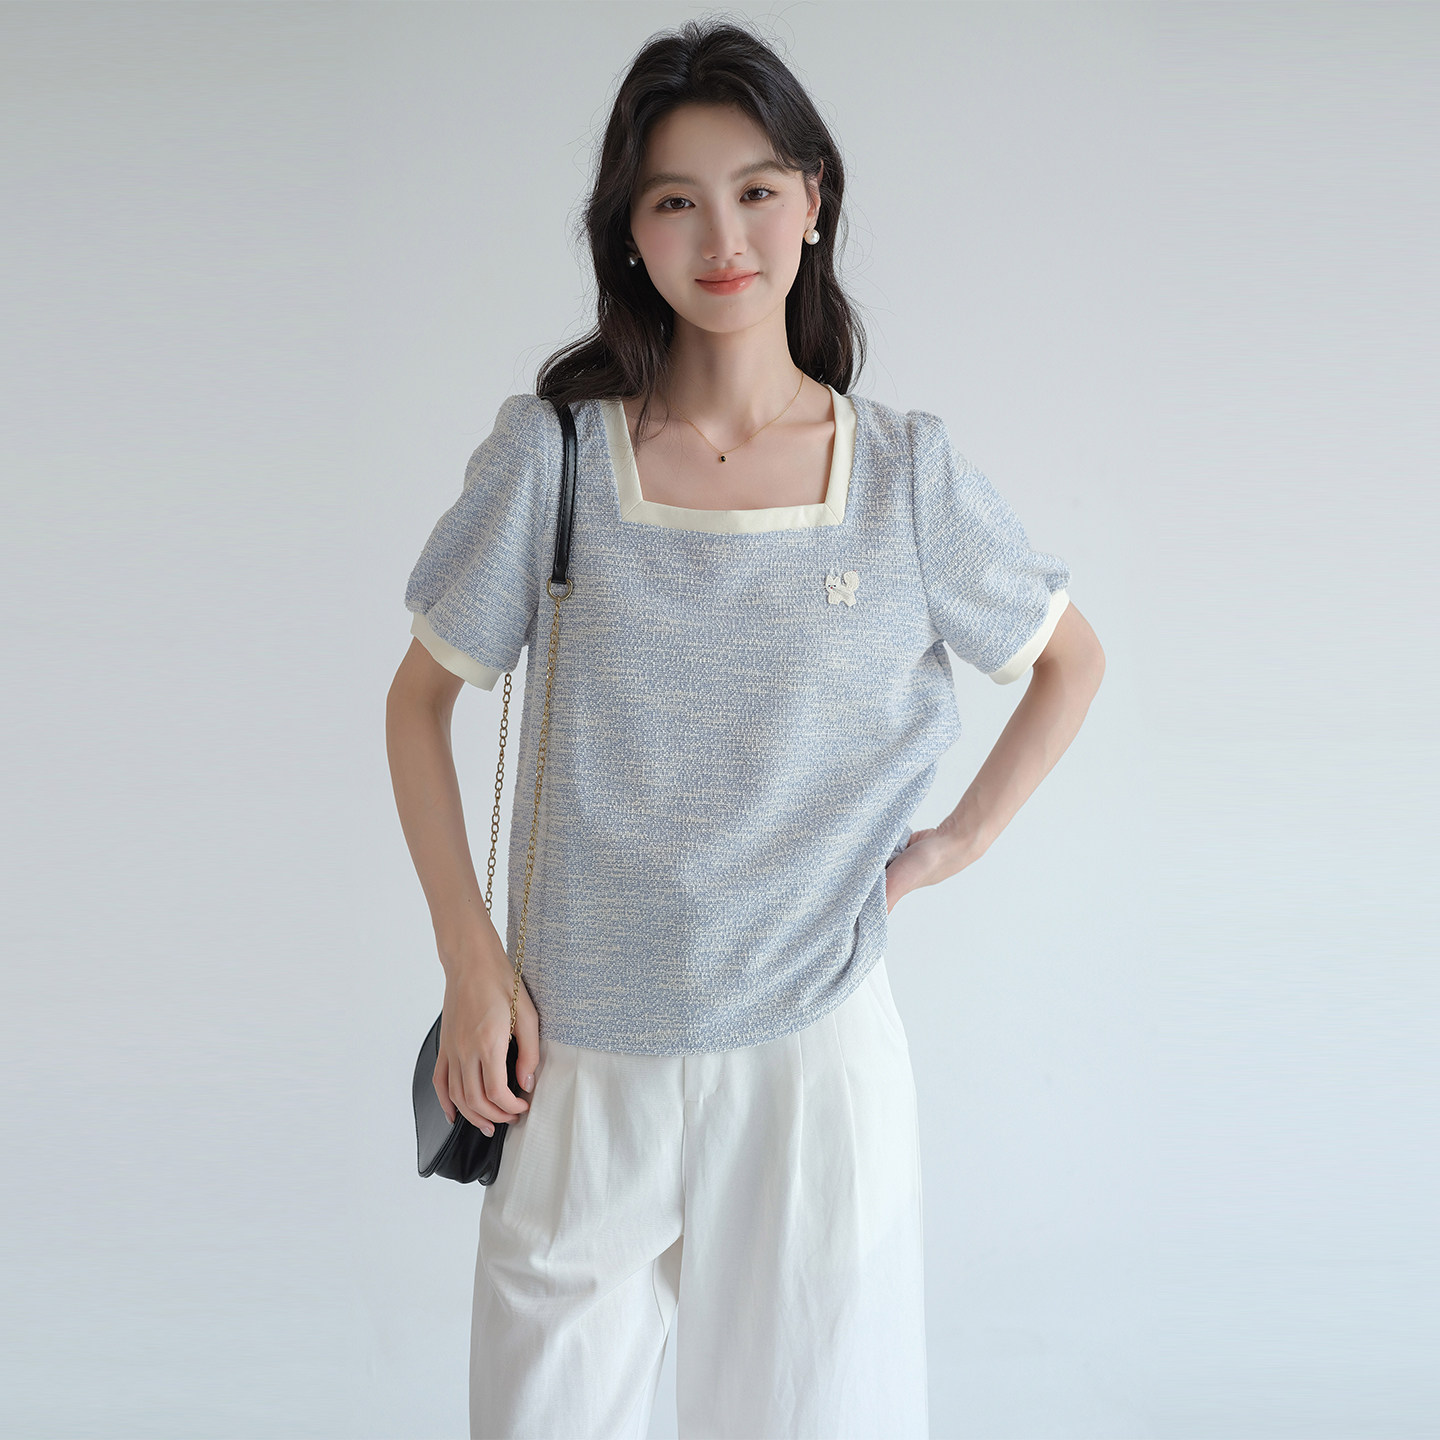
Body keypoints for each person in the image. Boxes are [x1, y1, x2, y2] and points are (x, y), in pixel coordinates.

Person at [385, 18, 1105, 1440]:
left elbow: (1068, 662)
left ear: (813, 201)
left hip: (813, 1062)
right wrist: (471, 966)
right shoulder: (555, 457)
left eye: (757, 189)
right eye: (676, 200)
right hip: (573, 1058)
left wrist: (950, 847)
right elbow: (418, 705)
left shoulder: (904, 474)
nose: (723, 237)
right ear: (629, 231)